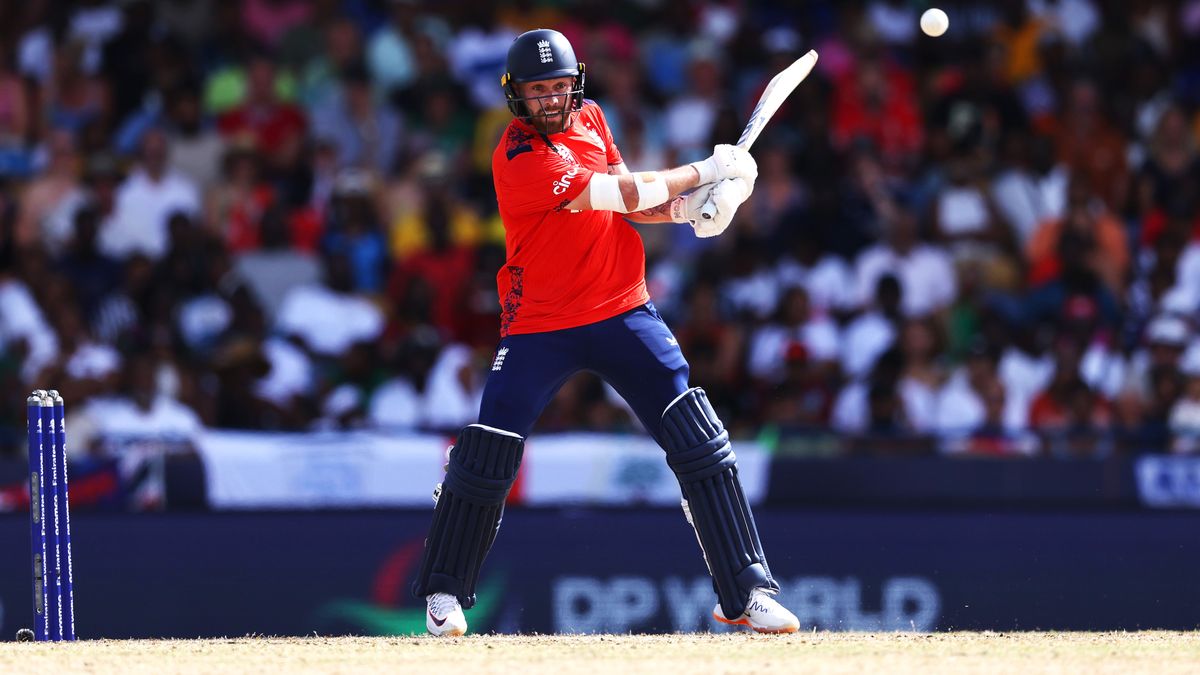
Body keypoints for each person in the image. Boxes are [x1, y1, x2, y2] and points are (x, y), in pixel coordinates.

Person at [412, 28, 798, 637]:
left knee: (700, 440)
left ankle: (746, 592)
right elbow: (609, 191)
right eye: (537, 91)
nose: (550, 101)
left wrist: (692, 209)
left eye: (559, 88)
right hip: (541, 321)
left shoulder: (591, 117)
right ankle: (443, 593)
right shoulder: (517, 157)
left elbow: (631, 204)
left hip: (621, 307)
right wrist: (704, 169)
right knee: (487, 456)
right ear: (515, 96)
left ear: (577, 86)